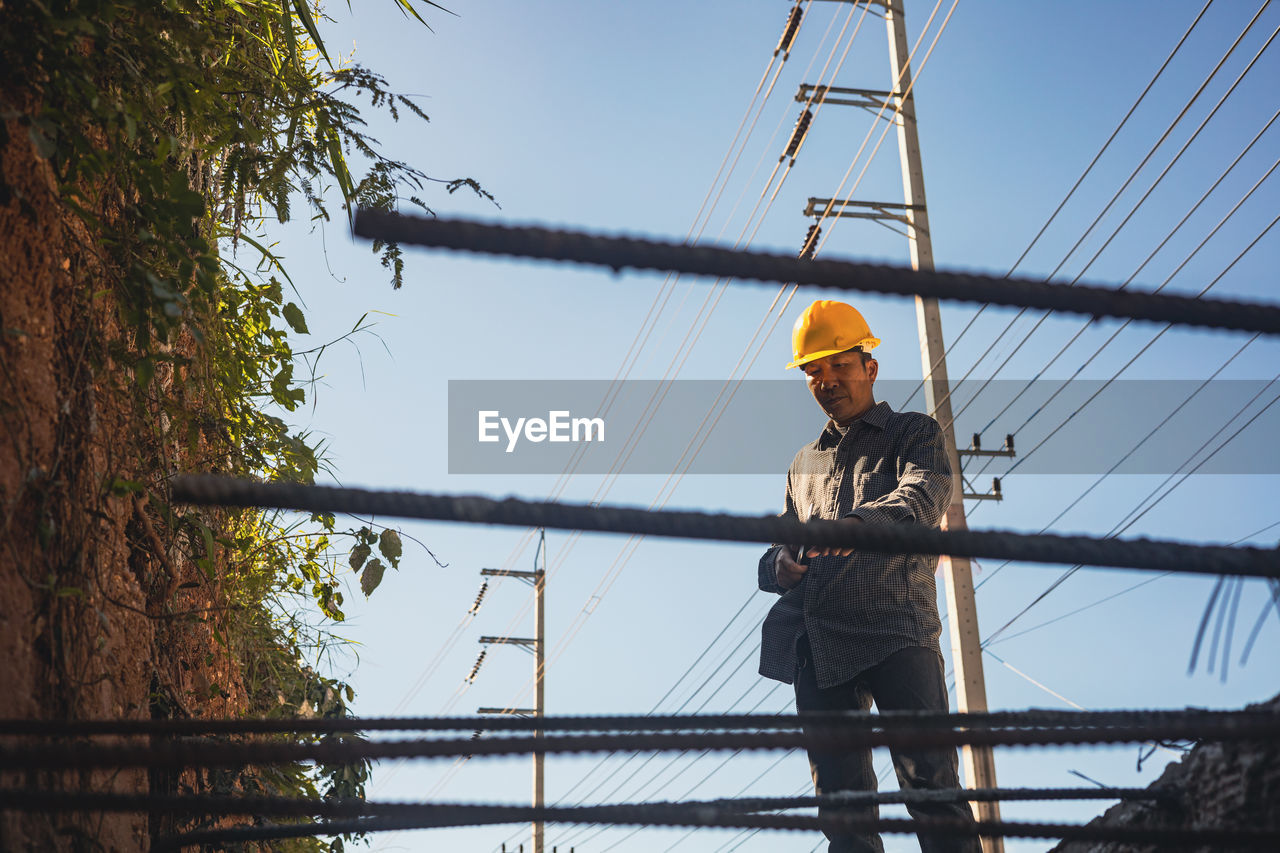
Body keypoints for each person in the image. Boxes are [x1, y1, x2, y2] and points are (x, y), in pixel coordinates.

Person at [756, 300, 980, 853]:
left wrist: (856, 524)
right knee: (842, 808)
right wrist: (779, 564)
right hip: (821, 642)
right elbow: (778, 544)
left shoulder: (913, 433)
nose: (827, 381)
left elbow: (923, 496)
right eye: (814, 370)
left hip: (897, 631)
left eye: (839, 365)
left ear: (870, 368)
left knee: (931, 784)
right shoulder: (802, 463)